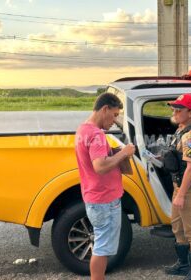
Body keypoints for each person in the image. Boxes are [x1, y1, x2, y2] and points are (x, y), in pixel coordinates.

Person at [75, 93, 135, 280]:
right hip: (104, 200)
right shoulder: (96, 134)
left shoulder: (83, 129)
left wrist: (113, 153)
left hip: (95, 197)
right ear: (105, 109)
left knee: (101, 243)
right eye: (115, 114)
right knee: (102, 247)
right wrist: (124, 153)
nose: (116, 120)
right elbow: (100, 166)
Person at [164, 93, 191, 280]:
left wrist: (181, 195)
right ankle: (183, 265)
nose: (174, 111)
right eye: (173, 108)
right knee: (178, 228)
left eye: (179, 109)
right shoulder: (182, 129)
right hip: (180, 188)